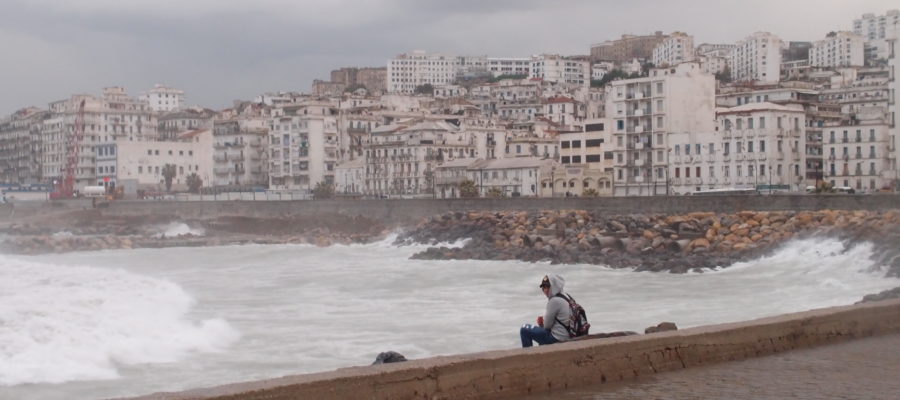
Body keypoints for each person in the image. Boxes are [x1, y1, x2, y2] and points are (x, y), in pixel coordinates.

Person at [520, 274, 572, 348]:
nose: (545, 290)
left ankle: (528, 356)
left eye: (548, 286)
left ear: (554, 286)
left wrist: (541, 324)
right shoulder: (566, 296)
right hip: (569, 335)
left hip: (558, 338)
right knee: (540, 332)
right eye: (543, 287)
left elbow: (547, 326)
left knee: (524, 329)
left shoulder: (554, 301)